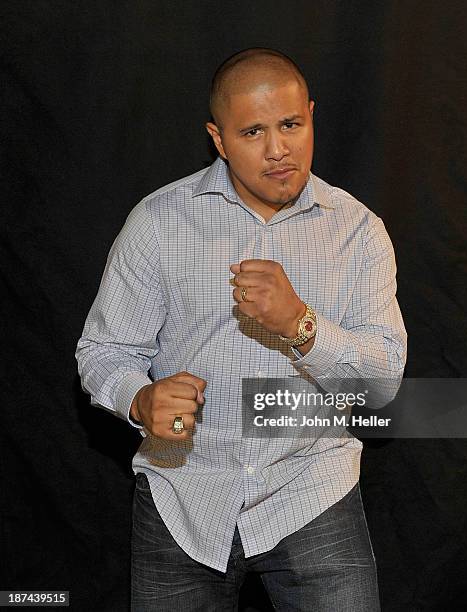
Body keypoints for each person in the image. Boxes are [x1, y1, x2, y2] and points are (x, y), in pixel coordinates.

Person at [76, 48, 406, 611]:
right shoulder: (158, 222)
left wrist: (300, 324)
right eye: (252, 131)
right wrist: (139, 397)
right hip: (183, 498)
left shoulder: (359, 232)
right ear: (218, 138)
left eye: (291, 125)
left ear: (311, 116)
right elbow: (103, 351)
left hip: (311, 490)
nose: (278, 150)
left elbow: (383, 390)